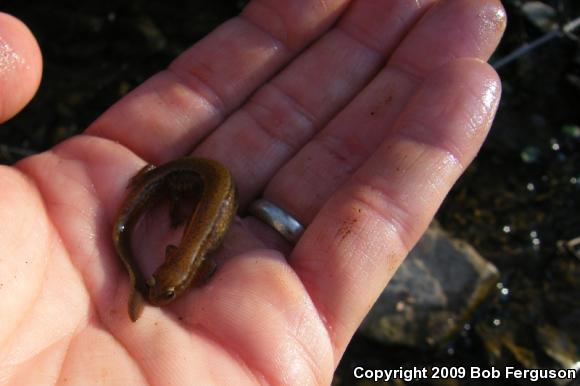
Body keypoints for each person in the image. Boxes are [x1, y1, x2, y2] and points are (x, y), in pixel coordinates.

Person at [0, 0, 505, 384]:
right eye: (165, 285)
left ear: (180, 259)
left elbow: (202, 256)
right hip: (185, 178)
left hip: (198, 179)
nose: (161, 290)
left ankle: (162, 188)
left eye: (166, 287)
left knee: (171, 194)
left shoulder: (193, 257)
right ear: (178, 259)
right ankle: (160, 187)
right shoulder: (193, 259)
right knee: (160, 193)